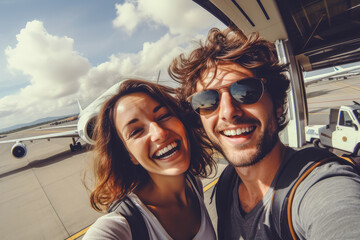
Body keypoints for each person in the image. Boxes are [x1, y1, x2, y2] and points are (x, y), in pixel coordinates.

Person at [169, 26, 360, 239]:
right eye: (207, 100)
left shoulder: (319, 185)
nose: (228, 112)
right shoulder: (226, 184)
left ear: (277, 104)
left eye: (246, 91)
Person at [83, 79, 217, 240]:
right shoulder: (120, 225)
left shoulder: (194, 185)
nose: (159, 133)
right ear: (130, 155)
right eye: (136, 131)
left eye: (164, 116)